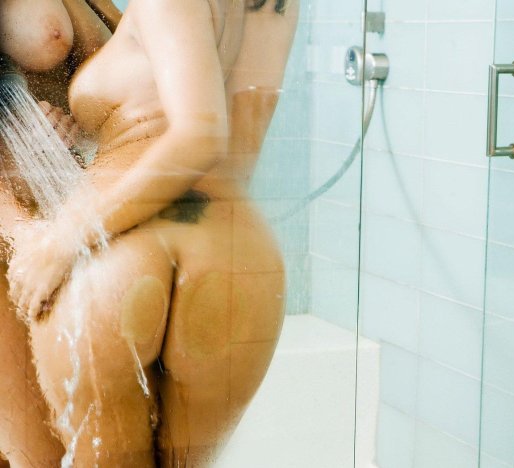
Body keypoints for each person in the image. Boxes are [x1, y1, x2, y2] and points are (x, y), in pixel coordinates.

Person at [7, 0, 298, 465]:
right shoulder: (275, 8)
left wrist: (63, 239)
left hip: (109, 245)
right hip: (233, 246)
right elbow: (244, 136)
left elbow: (198, 135)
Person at [0, 1, 120, 466]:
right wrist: (26, 238)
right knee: (41, 455)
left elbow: (140, 85)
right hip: (21, 242)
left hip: (69, 215)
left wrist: (72, 127)